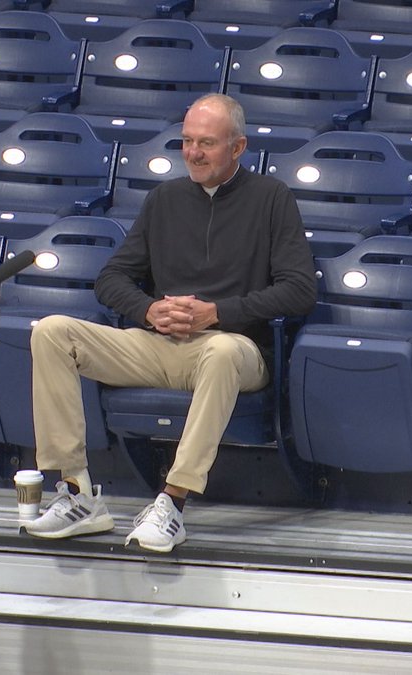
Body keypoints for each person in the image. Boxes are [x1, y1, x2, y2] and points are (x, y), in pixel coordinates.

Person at [23, 93, 317, 553]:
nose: (194, 153)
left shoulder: (272, 199)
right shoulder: (164, 199)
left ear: (238, 148)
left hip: (233, 348)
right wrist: (147, 310)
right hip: (157, 345)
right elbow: (111, 279)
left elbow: (300, 290)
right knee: (51, 331)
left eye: (207, 143)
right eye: (186, 142)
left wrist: (217, 312)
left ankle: (173, 502)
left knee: (219, 350)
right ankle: (77, 494)